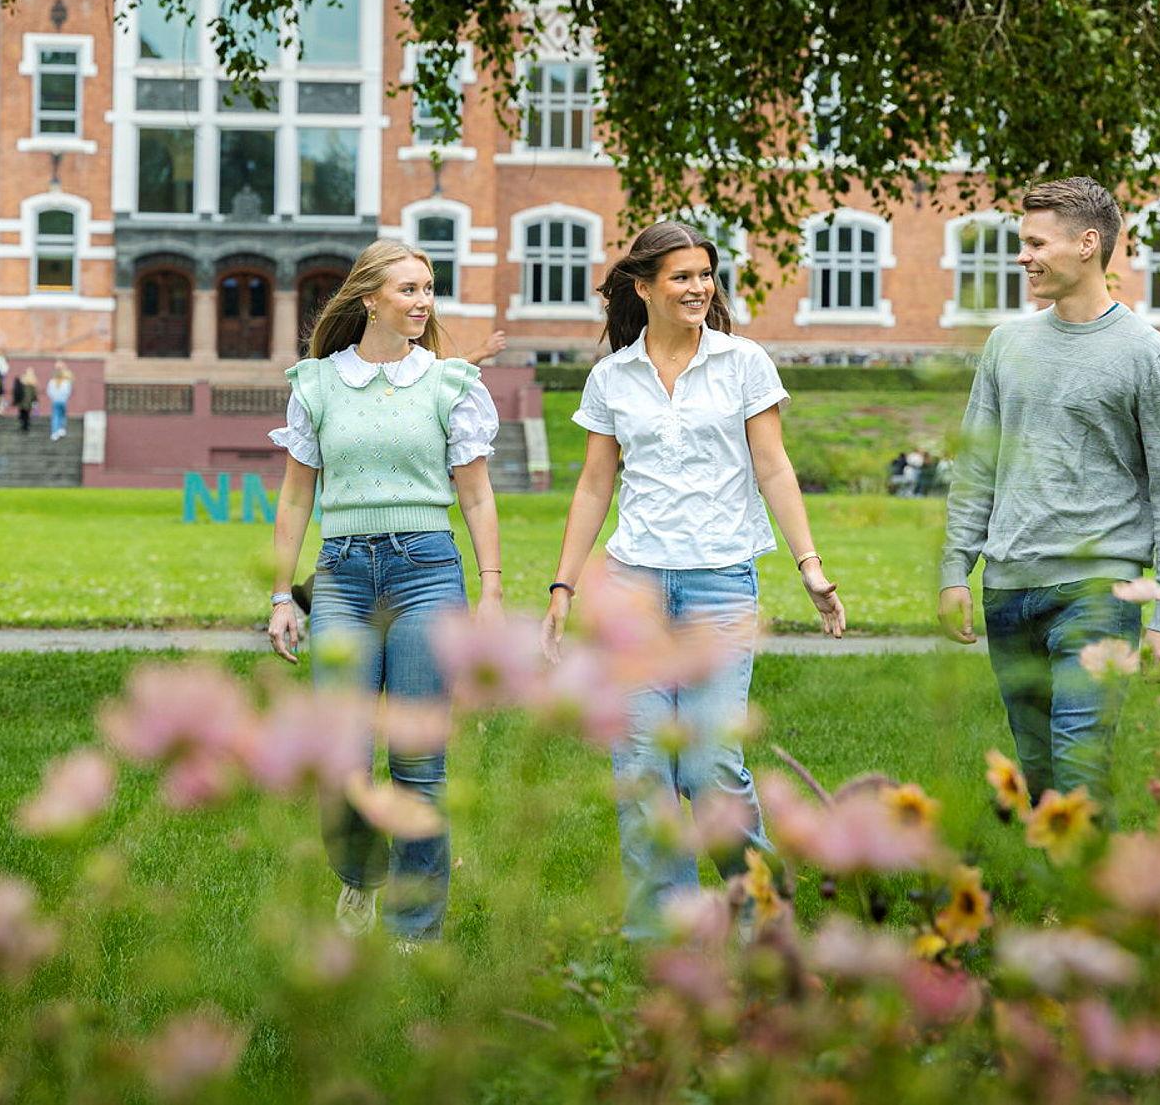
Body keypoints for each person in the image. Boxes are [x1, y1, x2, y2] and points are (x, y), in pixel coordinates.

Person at [540, 220, 845, 940]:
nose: (699, 287)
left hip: (720, 586)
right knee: (645, 766)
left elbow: (773, 467)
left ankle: (761, 913)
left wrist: (810, 565)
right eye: (681, 276)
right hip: (635, 587)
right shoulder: (613, 377)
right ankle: (664, 933)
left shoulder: (743, 363)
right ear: (643, 287)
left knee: (709, 763)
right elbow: (594, 485)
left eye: (705, 274)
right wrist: (563, 588)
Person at [938, 176, 1160, 812]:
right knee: (1038, 773)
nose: (1022, 256)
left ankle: (1084, 879)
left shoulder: (1148, 355)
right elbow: (977, 467)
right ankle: (1058, 870)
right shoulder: (1006, 344)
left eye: (1036, 243)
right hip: (1009, 588)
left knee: (1080, 764)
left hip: (1098, 592)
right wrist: (954, 570)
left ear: (1087, 244)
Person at [269, 238, 502, 943]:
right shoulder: (316, 384)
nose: (423, 301)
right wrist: (280, 595)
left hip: (426, 572)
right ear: (369, 298)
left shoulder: (450, 383)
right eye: (409, 289)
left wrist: (491, 590)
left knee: (418, 762)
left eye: (428, 288)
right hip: (342, 575)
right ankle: (360, 875)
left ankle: (412, 933)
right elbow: (295, 497)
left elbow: (477, 495)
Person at [48, 361, 75, 442]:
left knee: (55, 416)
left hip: (55, 401)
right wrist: (65, 397)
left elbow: (49, 391)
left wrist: (53, 398)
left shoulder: (52, 382)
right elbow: (68, 391)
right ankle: (61, 428)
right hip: (63, 400)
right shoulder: (66, 382)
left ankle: (54, 432)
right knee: (62, 415)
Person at [13, 370, 39, 435]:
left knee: (23, 414)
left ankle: (24, 426)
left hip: (22, 402)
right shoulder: (31, 385)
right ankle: (25, 426)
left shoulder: (22, 384)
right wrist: (35, 401)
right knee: (26, 414)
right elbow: (34, 395)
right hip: (27, 403)